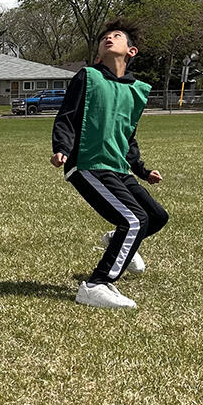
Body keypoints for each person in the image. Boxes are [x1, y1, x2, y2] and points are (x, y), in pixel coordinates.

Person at [51, 19, 168, 309]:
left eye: (117, 36)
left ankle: (116, 243)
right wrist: (62, 148)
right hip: (89, 164)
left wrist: (141, 169)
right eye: (105, 37)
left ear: (131, 51)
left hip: (119, 167)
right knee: (133, 220)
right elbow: (67, 116)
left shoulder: (137, 90)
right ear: (98, 54)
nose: (109, 39)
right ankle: (96, 284)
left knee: (156, 217)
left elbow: (128, 134)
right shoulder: (88, 76)